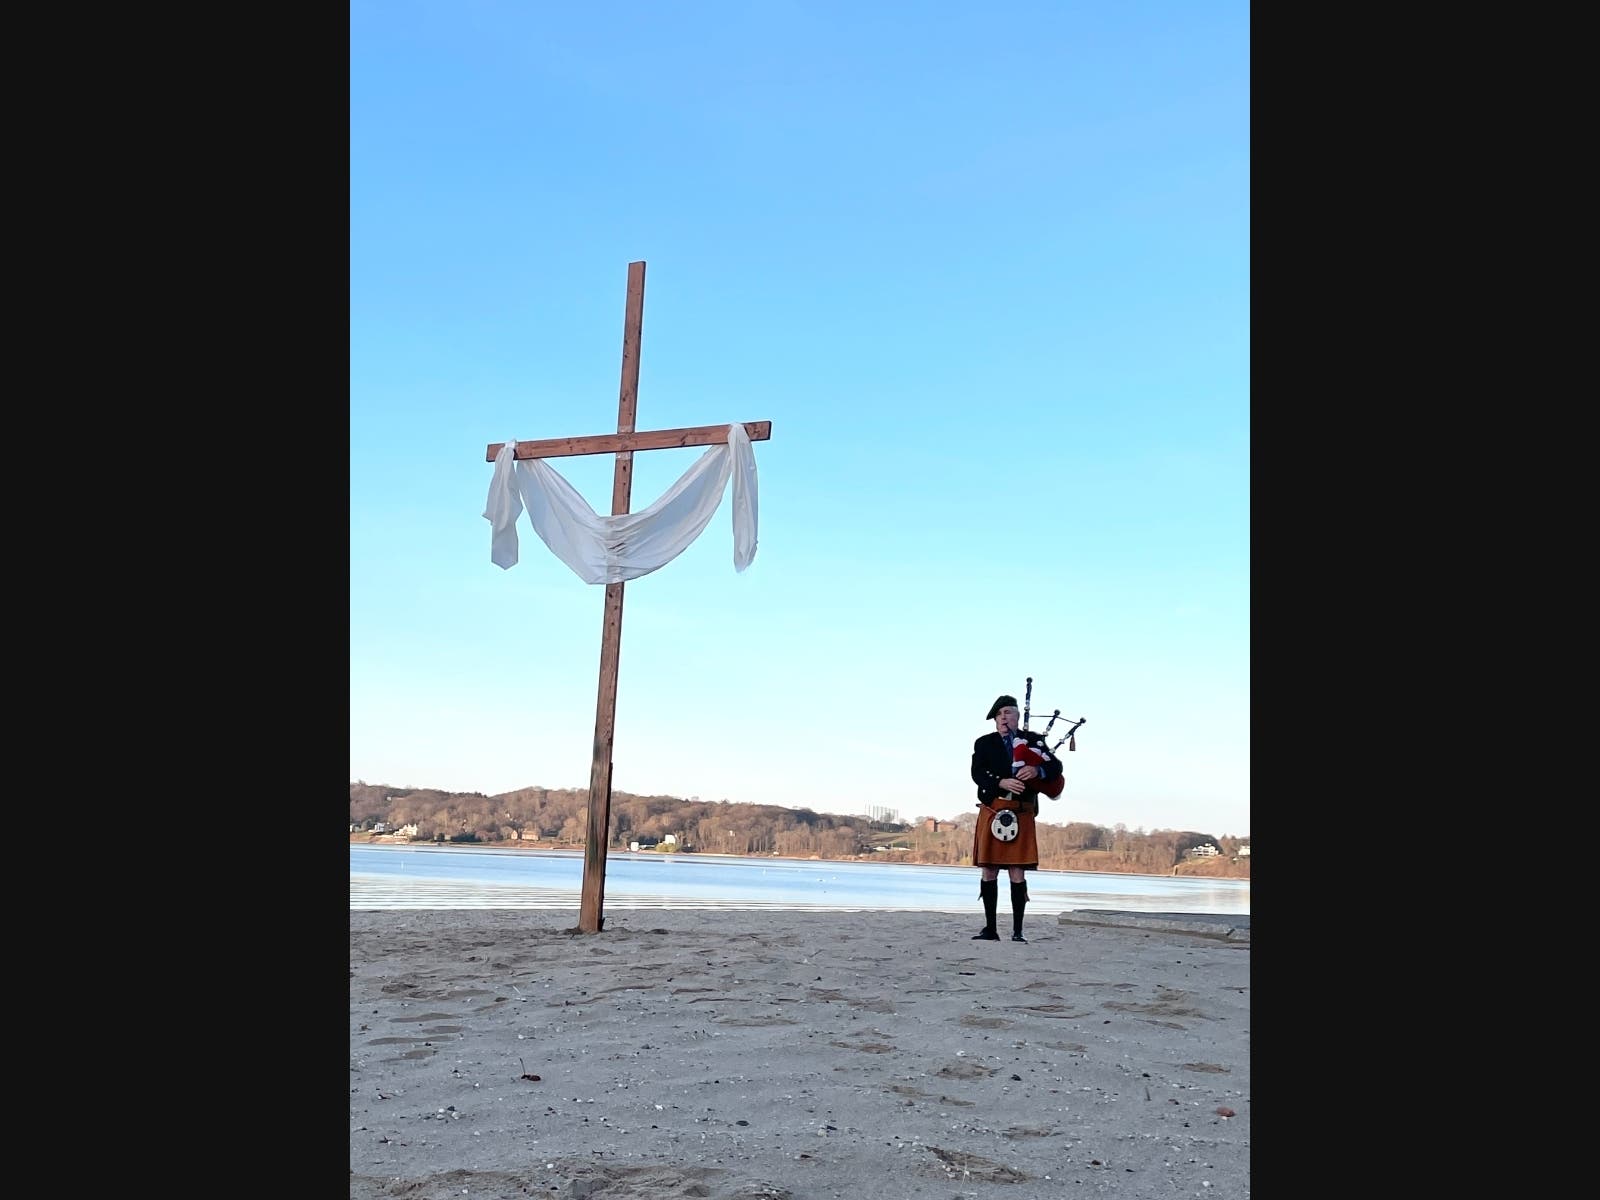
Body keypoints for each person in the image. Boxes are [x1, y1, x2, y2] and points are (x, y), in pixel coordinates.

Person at [969, 693, 1063, 942]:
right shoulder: (984, 743)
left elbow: (1056, 767)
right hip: (994, 809)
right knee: (988, 869)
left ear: (1018, 715)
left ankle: (1017, 931)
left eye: (1008, 712)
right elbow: (977, 773)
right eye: (999, 715)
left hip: (1021, 810)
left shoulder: (1033, 740)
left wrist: (1037, 769)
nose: (1003, 718)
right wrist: (1001, 781)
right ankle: (990, 928)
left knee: (1017, 871)